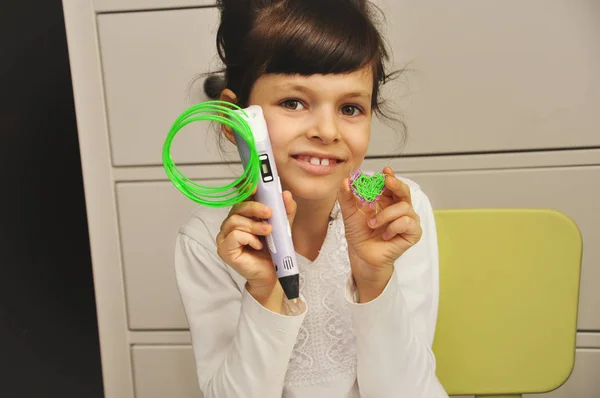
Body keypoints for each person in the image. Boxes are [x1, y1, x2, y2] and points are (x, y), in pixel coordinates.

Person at [174, 0, 449, 397]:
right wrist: (263, 293)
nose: (326, 130)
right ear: (232, 120)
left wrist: (374, 280)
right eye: (293, 102)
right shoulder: (208, 240)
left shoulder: (394, 214)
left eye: (350, 108)